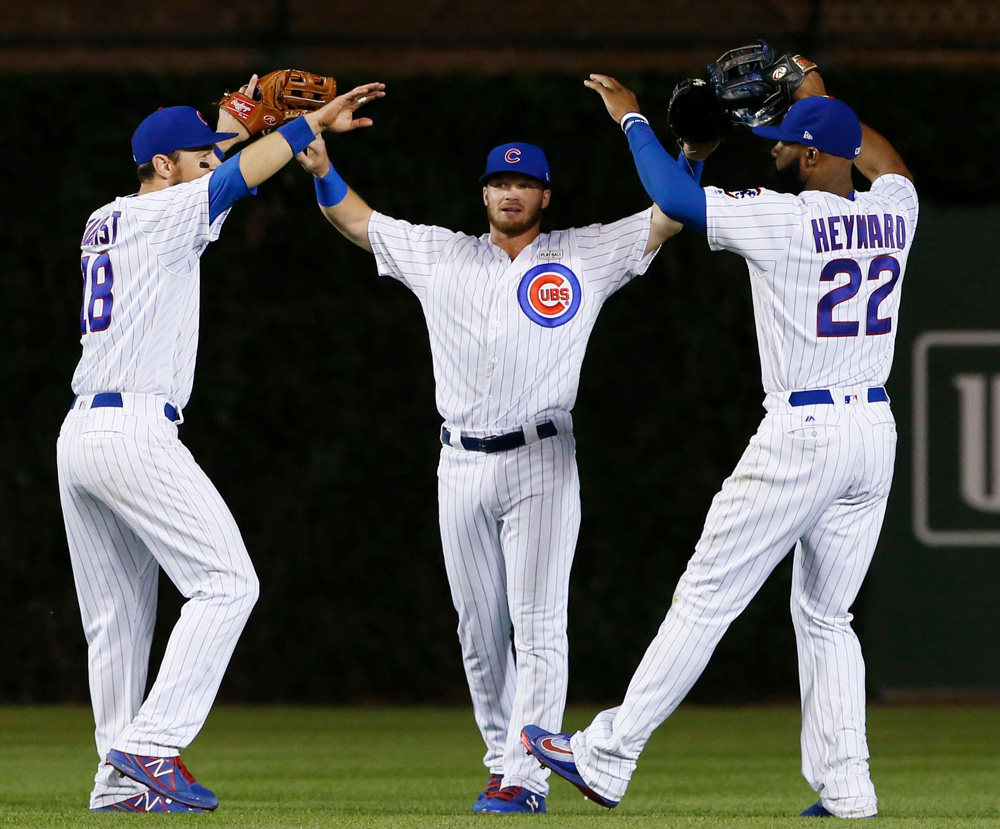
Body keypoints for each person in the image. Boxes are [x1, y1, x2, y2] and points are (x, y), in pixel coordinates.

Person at [522, 70, 918, 820]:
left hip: (803, 434)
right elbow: (887, 164)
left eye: (783, 145)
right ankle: (848, 787)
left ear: (809, 160)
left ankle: (607, 753)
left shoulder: (784, 218)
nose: (769, 153)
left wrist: (632, 119)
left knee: (706, 594)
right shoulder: (894, 212)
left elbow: (676, 201)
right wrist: (813, 87)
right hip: (873, 432)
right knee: (829, 615)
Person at [297, 131, 704, 812]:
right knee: (478, 629)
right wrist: (321, 167)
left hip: (541, 456)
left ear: (544, 194)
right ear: (484, 192)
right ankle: (500, 758)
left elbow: (673, 215)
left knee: (539, 622)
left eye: (523, 183)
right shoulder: (442, 253)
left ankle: (526, 772)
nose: (509, 192)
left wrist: (691, 159)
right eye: (498, 182)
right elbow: (356, 221)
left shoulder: (584, 252)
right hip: (457, 461)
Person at [57, 76, 385, 813]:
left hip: (80, 431)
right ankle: (152, 744)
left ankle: (116, 782)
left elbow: (220, 166)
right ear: (165, 166)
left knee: (116, 618)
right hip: (134, 429)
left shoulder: (109, 217)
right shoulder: (167, 212)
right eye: (194, 158)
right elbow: (232, 175)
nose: (209, 164)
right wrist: (311, 126)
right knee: (228, 583)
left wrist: (232, 123)